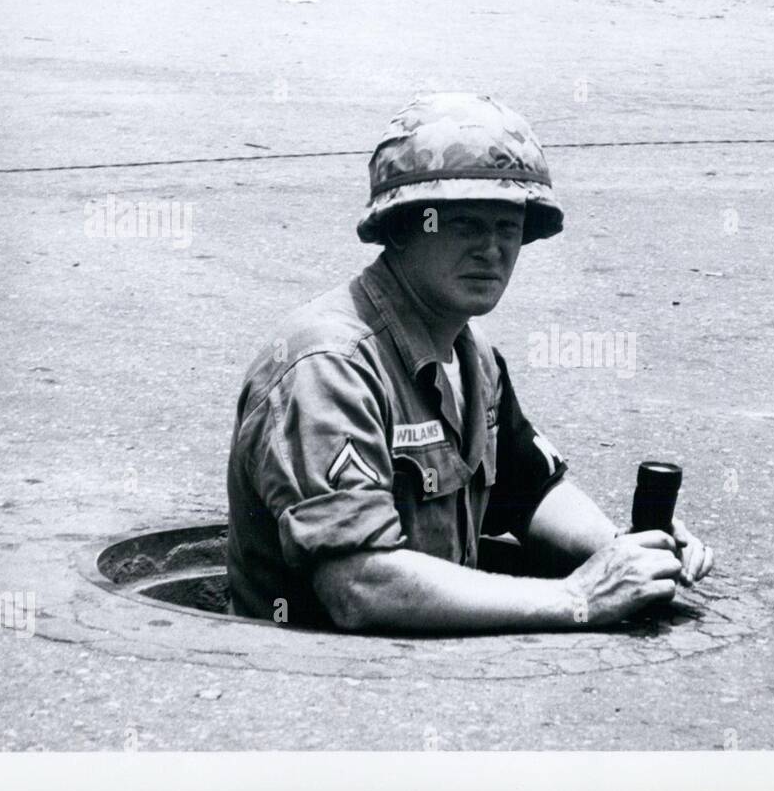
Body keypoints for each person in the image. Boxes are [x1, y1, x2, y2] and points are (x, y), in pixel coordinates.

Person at [225, 92, 714, 632]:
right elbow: (358, 585)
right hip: (310, 681)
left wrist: (628, 551)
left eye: (508, 228)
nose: (492, 249)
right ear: (400, 227)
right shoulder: (329, 367)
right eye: (464, 225)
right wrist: (579, 597)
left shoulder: (469, 353)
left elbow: (530, 492)